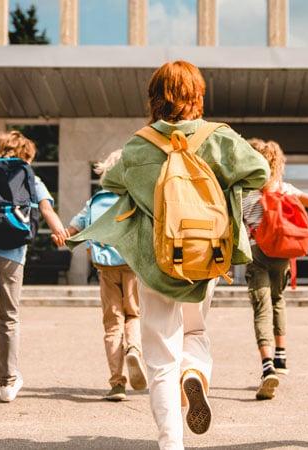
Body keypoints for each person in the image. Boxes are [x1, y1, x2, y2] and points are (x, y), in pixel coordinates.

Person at [69, 60, 269, 450]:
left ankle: (170, 442)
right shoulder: (219, 137)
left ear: (154, 97)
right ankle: (194, 371)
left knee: (160, 355)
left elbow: (111, 179)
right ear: (198, 96)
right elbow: (259, 171)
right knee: (195, 330)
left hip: (155, 259)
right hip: (205, 256)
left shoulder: (138, 144)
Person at [0, 130, 69, 408]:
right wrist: (60, 234)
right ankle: (8, 382)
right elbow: (46, 211)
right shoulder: (32, 178)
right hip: (12, 256)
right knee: (8, 317)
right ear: (26, 156)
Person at [241, 138, 308, 401]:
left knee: (262, 308)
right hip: (282, 255)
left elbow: (233, 228)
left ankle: (267, 365)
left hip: (257, 255)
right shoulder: (285, 188)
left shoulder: (246, 193)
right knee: (278, 300)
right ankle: (281, 358)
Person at [67, 149, 148, 402]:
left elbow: (73, 228)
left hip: (105, 268)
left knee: (112, 323)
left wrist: (62, 235)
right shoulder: (134, 198)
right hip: (132, 264)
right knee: (133, 314)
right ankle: (133, 347)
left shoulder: (95, 201)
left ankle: (117, 383)